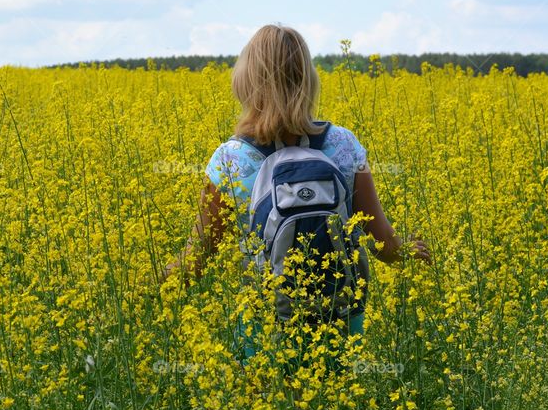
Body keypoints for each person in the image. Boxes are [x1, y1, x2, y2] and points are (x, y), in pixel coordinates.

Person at [161, 24, 431, 359]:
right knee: (338, 405)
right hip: (340, 317)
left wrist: (147, 286)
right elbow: (384, 247)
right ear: (308, 79)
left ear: (245, 81)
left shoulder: (230, 160)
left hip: (266, 324)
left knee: (270, 408)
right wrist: (415, 252)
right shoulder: (343, 145)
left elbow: (197, 261)